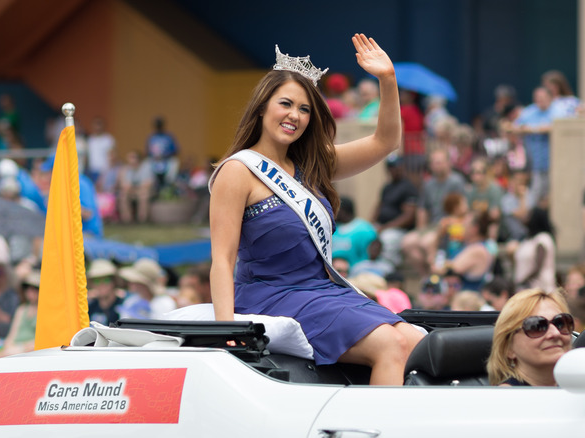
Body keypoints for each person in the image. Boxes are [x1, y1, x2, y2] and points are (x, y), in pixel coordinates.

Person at [208, 34, 424, 385]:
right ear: (262, 106)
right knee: (388, 344)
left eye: (305, 109)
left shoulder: (313, 165)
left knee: (418, 344)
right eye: (286, 104)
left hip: (322, 291)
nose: (295, 115)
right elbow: (222, 258)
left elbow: (386, 141)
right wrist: (226, 332)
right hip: (271, 294)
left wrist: (387, 79)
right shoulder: (238, 171)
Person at [487, 288, 574, 386]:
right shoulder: (505, 398)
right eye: (537, 326)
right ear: (508, 348)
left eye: (560, 323)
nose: (555, 333)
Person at [0, 271, 40, 357]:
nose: (30, 292)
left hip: (31, 349)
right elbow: (12, 334)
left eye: (34, 288)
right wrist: (6, 347)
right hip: (15, 348)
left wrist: (22, 348)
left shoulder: (44, 311)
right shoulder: (21, 309)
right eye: (27, 288)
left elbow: (42, 339)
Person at [86, 258, 124, 326]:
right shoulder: (90, 308)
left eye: (106, 280)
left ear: (114, 282)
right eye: (97, 281)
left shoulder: (124, 306)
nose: (101, 285)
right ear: (92, 284)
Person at [146, 117, 180, 188]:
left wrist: (164, 156)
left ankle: (168, 186)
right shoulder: (152, 137)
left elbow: (176, 151)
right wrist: (155, 157)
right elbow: (147, 152)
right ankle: (152, 186)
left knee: (175, 162)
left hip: (167, 160)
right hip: (154, 160)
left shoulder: (168, 137)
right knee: (147, 163)